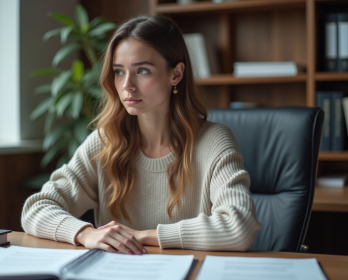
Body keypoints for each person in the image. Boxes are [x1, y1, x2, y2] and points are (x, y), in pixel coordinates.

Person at [21, 15, 261, 255]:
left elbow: (239, 226)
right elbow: (36, 208)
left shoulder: (213, 141)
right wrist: (86, 233)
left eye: (142, 70)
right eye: (119, 72)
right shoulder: (107, 140)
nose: (127, 86)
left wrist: (142, 236)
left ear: (176, 74)